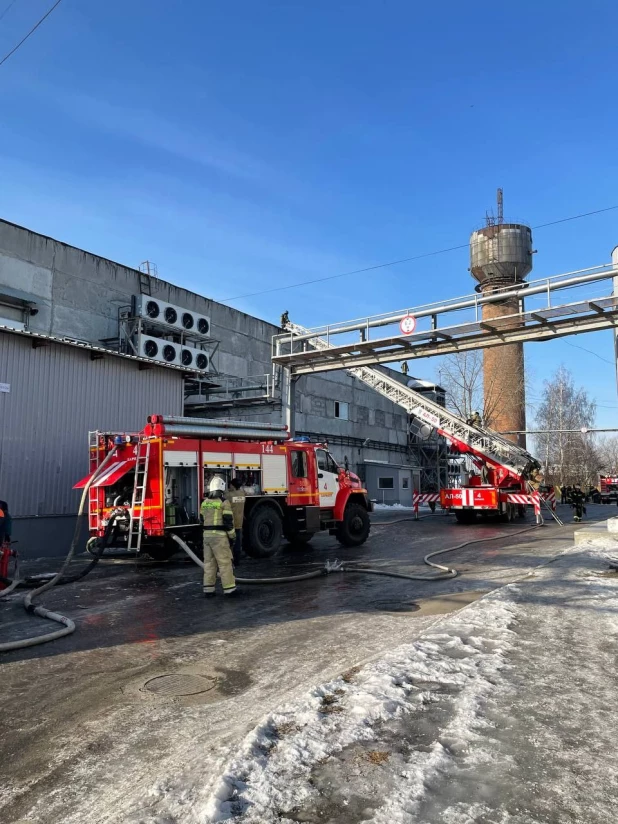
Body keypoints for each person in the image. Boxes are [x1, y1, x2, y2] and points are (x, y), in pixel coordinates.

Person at [200, 476, 237, 597]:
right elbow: (228, 522)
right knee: (224, 563)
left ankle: (208, 589)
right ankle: (229, 589)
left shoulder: (204, 503)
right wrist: (232, 536)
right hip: (220, 538)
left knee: (209, 563)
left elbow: (201, 519)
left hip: (207, 537)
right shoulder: (223, 502)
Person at [226, 478, 246, 567]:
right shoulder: (242, 494)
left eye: (230, 484)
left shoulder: (229, 495)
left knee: (229, 544)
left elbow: (224, 498)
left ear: (233, 486)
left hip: (231, 524)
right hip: (239, 523)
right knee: (238, 544)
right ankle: (237, 562)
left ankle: (229, 562)